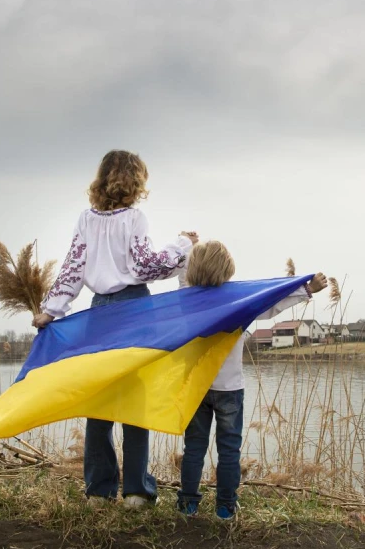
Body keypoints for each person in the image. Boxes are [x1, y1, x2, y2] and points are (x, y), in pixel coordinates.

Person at [32, 150, 198, 509]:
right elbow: (145, 266)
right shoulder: (135, 219)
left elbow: (72, 269)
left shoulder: (85, 220)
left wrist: (50, 310)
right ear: (136, 181)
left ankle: (98, 491)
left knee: (100, 398)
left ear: (102, 178)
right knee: (135, 399)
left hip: (100, 312)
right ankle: (136, 492)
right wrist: (183, 245)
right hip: (136, 308)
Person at [175, 241, 327, 520]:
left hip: (197, 388)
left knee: (194, 448)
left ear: (193, 269)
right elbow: (273, 305)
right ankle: (225, 507)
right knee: (229, 450)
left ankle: (188, 505)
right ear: (227, 271)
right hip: (229, 390)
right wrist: (306, 290)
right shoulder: (238, 303)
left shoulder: (186, 301)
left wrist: (188, 245)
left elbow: (184, 278)